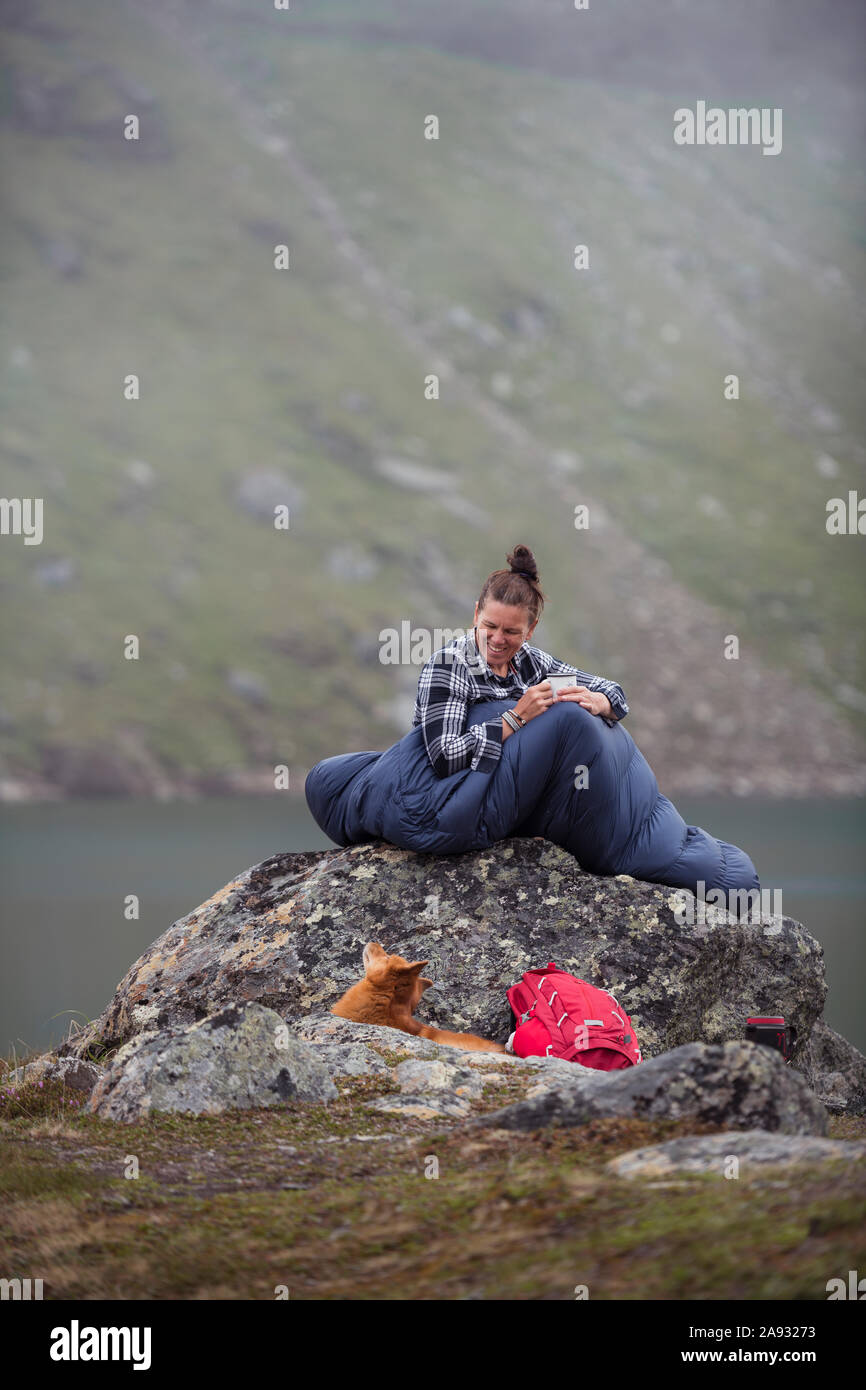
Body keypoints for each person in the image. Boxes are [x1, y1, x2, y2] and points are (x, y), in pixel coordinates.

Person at [412, 543, 628, 778]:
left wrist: (596, 701)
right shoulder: (450, 665)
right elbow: (444, 759)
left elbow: (614, 694)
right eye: (490, 626)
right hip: (437, 799)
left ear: (530, 629)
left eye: (511, 632)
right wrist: (517, 717)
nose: (497, 639)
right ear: (476, 614)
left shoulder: (532, 662)